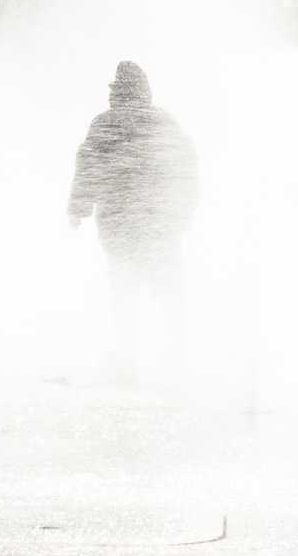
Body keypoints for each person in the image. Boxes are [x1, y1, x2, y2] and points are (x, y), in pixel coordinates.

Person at [67, 60, 199, 377]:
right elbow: (186, 169)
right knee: (169, 285)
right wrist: (184, 212)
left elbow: (89, 167)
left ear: (116, 92)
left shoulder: (105, 123)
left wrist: (78, 207)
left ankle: (127, 355)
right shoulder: (165, 122)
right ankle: (180, 350)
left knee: (124, 286)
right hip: (161, 221)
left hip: (119, 220)